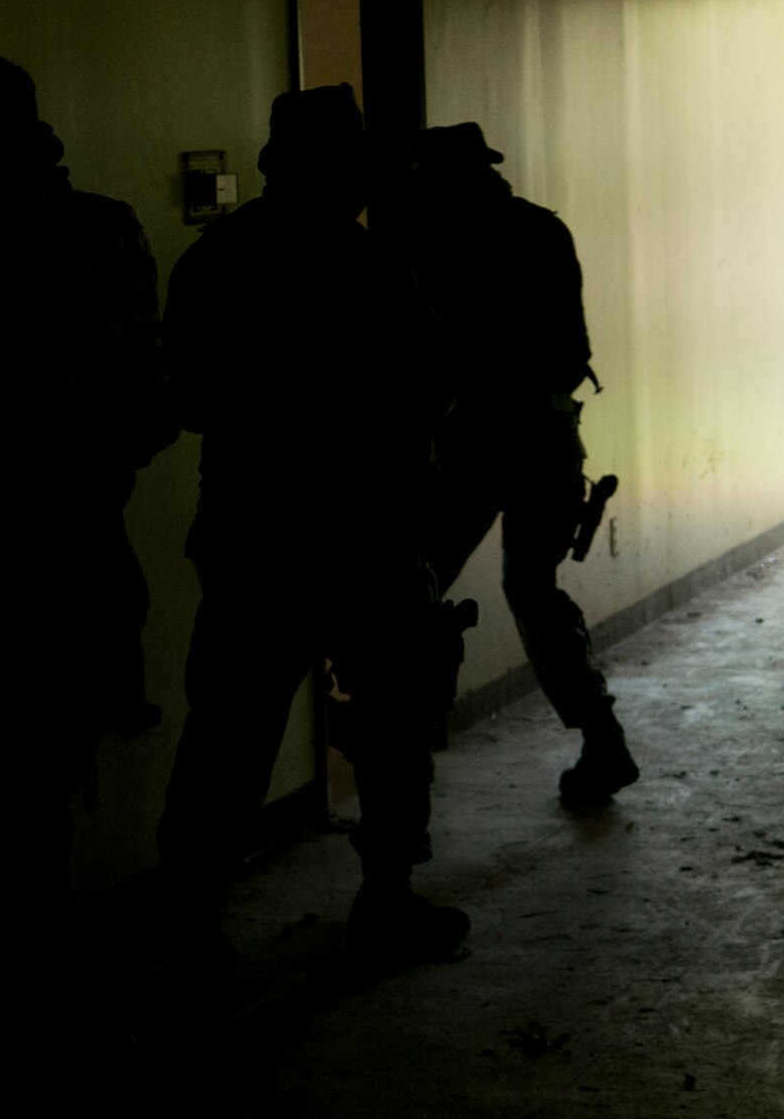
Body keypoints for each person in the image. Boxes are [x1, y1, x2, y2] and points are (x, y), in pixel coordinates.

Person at [154, 83, 472, 966]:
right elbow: (436, 380)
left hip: (255, 529)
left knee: (229, 732)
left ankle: (189, 919)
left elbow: (188, 399)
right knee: (393, 718)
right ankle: (386, 899)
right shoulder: (368, 264)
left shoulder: (218, 261)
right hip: (359, 528)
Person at [0, 58, 177, 1027]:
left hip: (56, 570)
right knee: (26, 818)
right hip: (83, 560)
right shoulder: (102, 229)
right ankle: (63, 1007)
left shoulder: (14, 264)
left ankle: (56, 1017)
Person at [409, 122, 638, 805]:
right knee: (533, 588)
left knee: (413, 585)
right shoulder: (544, 230)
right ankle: (602, 738)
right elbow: (572, 353)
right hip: (547, 436)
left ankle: (404, 746)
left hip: (470, 443)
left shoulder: (434, 243)